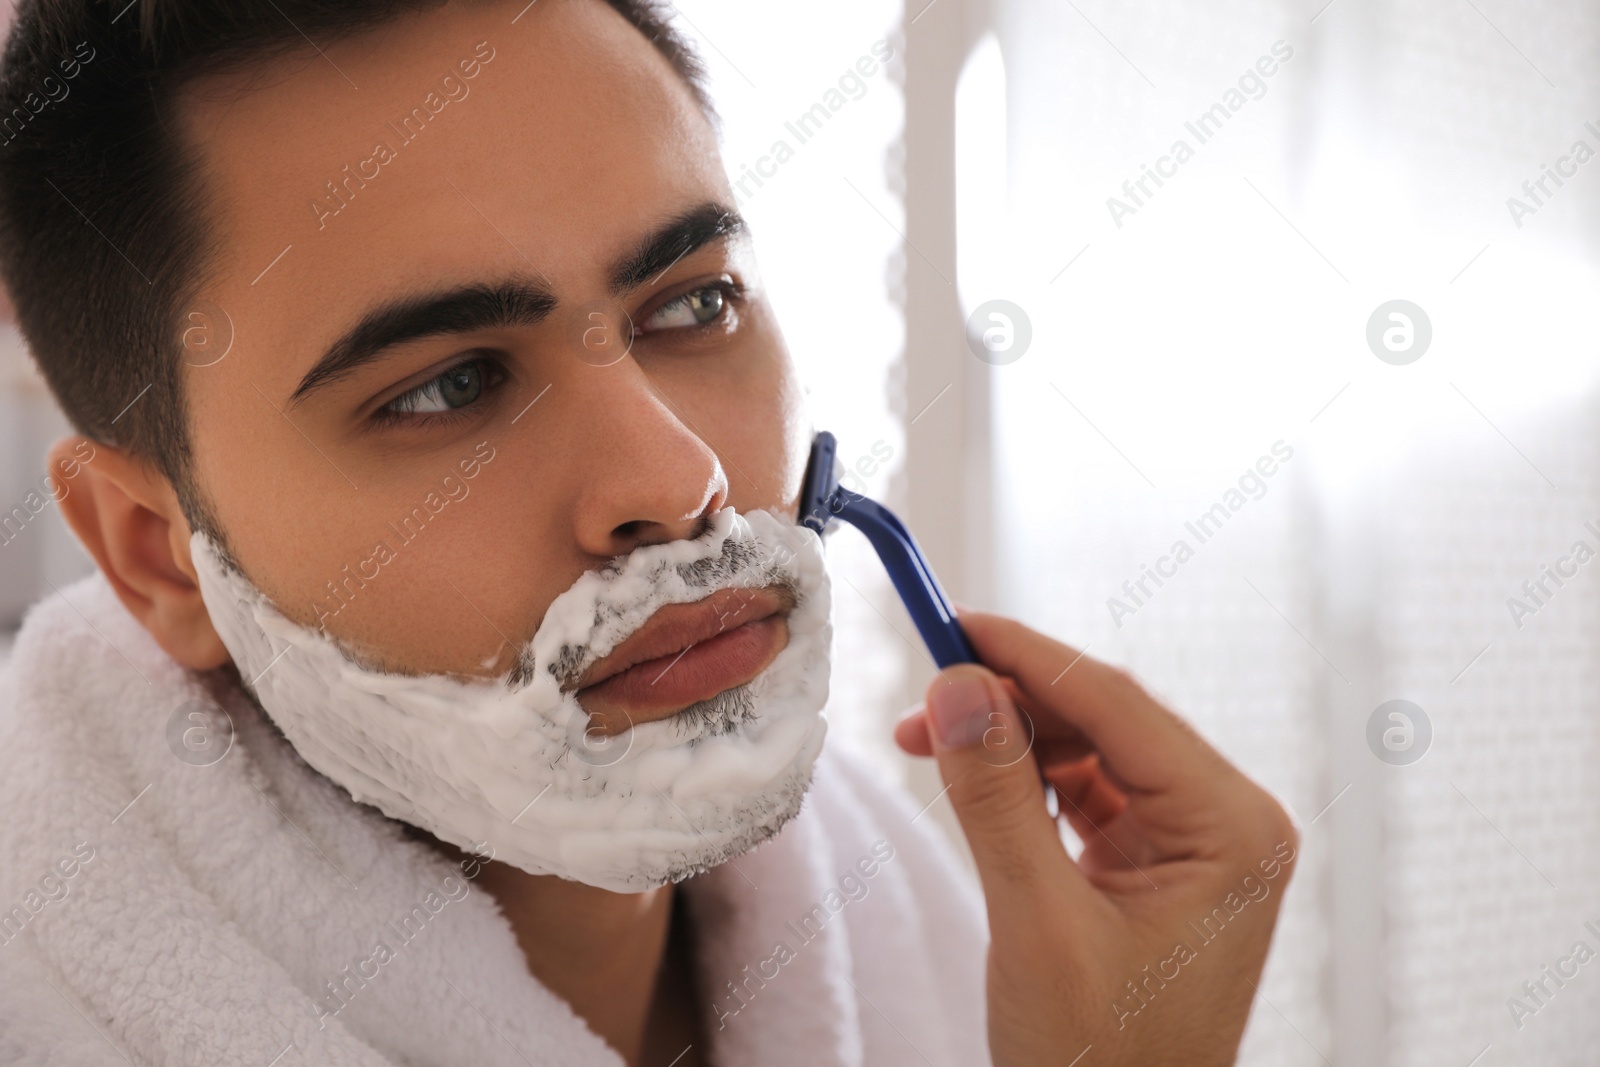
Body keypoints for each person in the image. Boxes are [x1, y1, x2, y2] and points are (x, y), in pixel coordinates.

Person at [0, 0, 1298, 1063]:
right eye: (450, 385)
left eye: (689, 305)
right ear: (154, 553)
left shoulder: (899, 915)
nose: (678, 483)